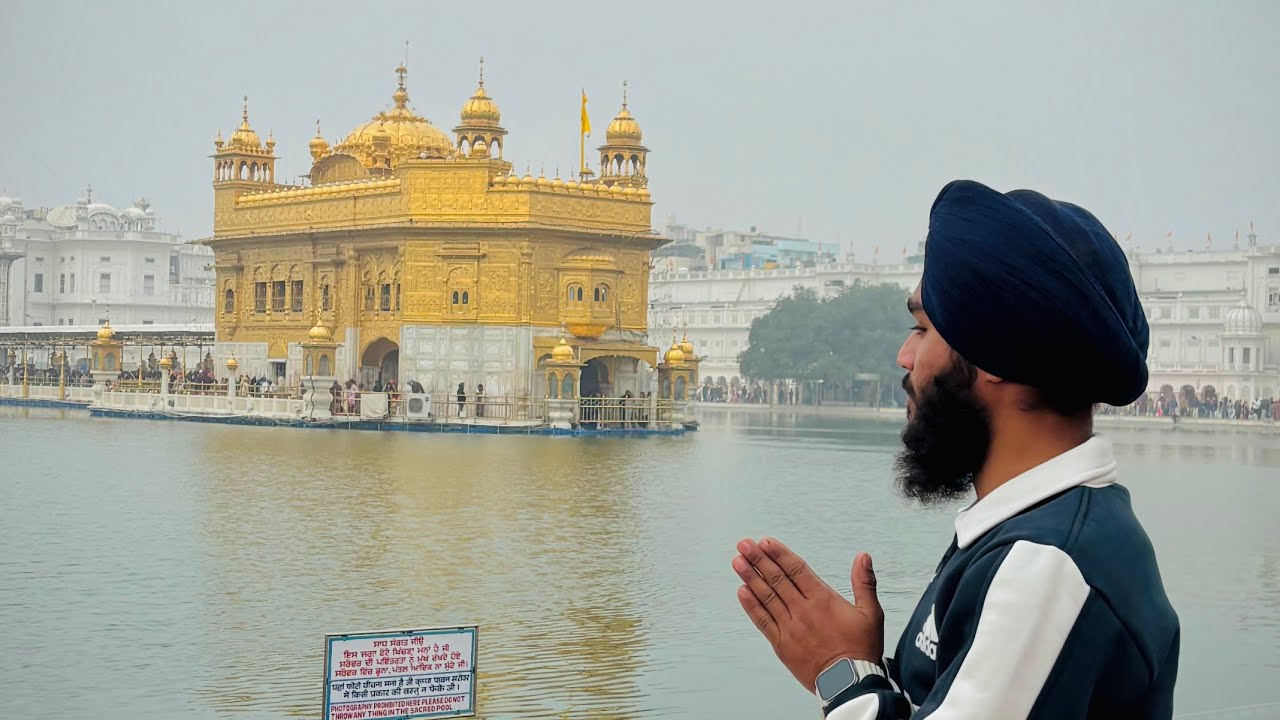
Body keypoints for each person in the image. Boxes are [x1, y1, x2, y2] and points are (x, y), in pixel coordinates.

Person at [732, 180, 1178, 719]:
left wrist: (843, 675)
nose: (904, 356)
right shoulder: (1031, 534)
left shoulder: (1047, 566)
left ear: (996, 353)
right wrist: (873, 670)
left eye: (921, 329)